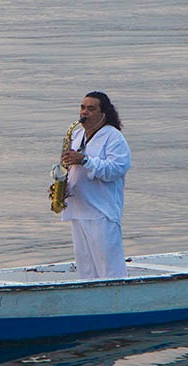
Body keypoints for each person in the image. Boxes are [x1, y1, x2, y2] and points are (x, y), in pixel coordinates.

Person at [60, 91, 132, 278]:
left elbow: (116, 169)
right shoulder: (77, 134)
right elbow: (71, 168)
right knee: (85, 268)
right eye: (83, 107)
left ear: (103, 114)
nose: (84, 112)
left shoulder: (113, 137)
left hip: (101, 211)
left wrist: (84, 160)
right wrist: (61, 185)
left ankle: (118, 301)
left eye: (91, 109)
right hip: (78, 209)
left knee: (109, 267)